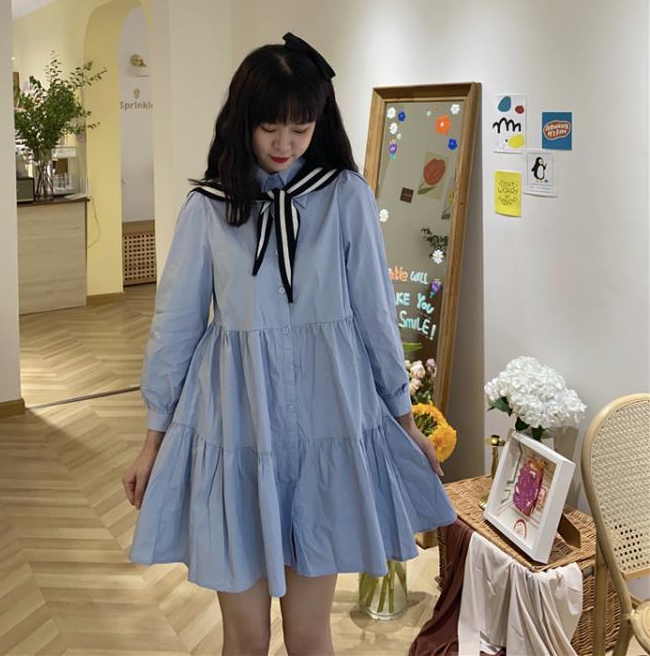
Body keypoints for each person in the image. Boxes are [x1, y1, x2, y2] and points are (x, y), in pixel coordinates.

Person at [123, 32, 457, 656]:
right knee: (245, 637)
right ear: (242, 121)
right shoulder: (208, 208)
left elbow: (376, 318)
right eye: (270, 127)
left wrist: (404, 420)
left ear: (318, 124)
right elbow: (175, 327)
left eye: (300, 129)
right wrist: (153, 441)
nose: (285, 144)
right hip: (235, 426)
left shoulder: (346, 198)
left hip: (326, 422)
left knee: (308, 635)